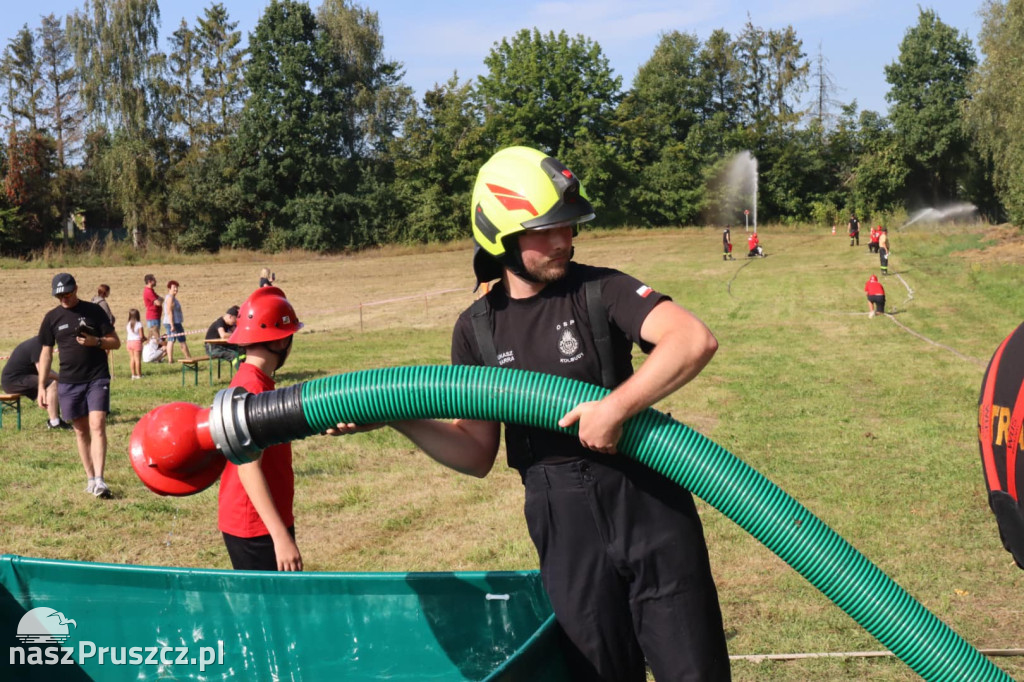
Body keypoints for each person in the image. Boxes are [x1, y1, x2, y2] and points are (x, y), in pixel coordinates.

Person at [335, 146, 731, 681]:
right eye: (546, 230)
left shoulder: (601, 289)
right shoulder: (477, 329)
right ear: (500, 235)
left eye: (567, 227)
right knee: (595, 670)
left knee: (693, 669)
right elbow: (476, 453)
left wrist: (616, 407)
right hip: (561, 518)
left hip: (647, 501)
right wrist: (397, 415)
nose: (564, 239)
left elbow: (692, 339)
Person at [218, 287, 304, 571]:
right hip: (255, 527)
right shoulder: (252, 390)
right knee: (270, 612)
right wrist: (280, 536)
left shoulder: (253, 381)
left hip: (260, 520)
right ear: (281, 343)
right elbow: (248, 468)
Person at [37, 273, 121, 498]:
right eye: (59, 295)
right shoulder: (51, 318)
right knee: (81, 430)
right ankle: (91, 478)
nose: (64, 298)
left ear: (76, 289)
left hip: (97, 377)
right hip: (69, 382)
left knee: (98, 424)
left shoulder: (94, 311)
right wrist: (41, 388)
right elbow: (45, 353)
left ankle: (101, 480)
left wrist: (98, 342)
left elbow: (117, 342)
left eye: (68, 293)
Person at [1, 336, 70, 430]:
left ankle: (64, 416)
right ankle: (54, 423)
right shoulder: (38, 345)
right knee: (52, 383)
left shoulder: (39, 343)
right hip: (13, 381)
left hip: (21, 377)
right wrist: (63, 378)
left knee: (55, 381)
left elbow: (47, 369)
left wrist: (61, 378)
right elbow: (43, 371)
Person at [162, 280, 192, 364]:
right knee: (174, 340)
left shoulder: (172, 297)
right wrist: (172, 325)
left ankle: (185, 358)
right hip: (173, 322)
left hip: (175, 322)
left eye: (177, 287)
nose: (176, 289)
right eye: (174, 287)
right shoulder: (170, 298)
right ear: (169, 288)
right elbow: (169, 312)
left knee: (176, 340)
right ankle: (173, 360)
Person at [126, 308, 144, 379]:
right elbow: (141, 336)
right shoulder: (139, 324)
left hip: (129, 342)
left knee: (132, 359)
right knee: (137, 359)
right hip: (136, 342)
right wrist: (144, 339)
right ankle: (139, 375)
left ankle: (133, 375)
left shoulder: (128, 324)